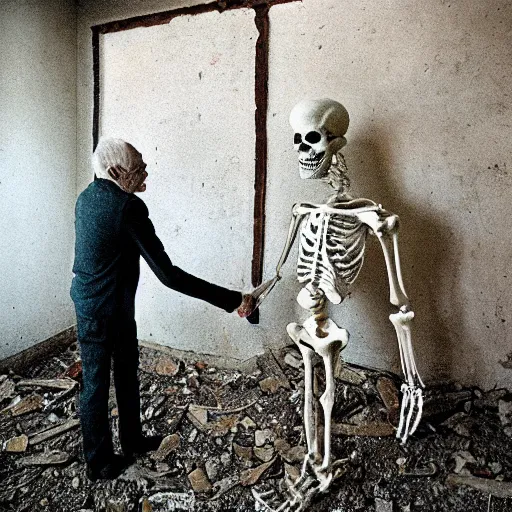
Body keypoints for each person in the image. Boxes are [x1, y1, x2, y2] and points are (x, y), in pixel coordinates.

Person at [71, 137, 250, 480]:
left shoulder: (87, 197)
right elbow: (168, 276)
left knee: (119, 373)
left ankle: (132, 441)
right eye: (138, 167)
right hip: (106, 308)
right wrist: (232, 300)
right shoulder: (127, 208)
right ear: (115, 171)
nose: (145, 170)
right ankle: (100, 463)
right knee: (99, 383)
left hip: (90, 301)